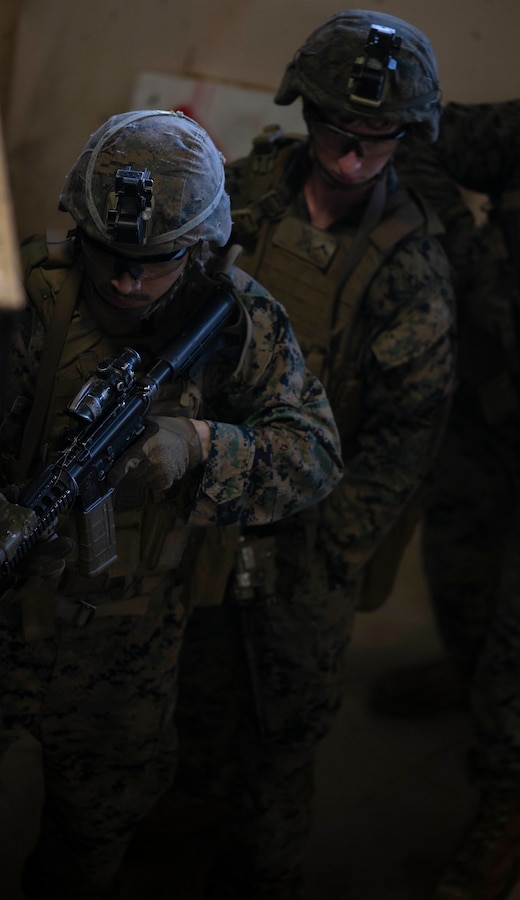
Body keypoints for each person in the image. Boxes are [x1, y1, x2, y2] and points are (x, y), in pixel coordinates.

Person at [0, 109, 343, 900]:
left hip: (125, 652)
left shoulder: (235, 319)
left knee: (89, 847)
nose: (128, 282)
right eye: (112, 257)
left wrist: (201, 445)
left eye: (156, 263)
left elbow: (317, 456)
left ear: (198, 245)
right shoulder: (25, 293)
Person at [143, 10, 456, 900]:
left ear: (408, 135)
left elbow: (407, 436)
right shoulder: (244, 199)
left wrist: (335, 547)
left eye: (377, 139)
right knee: (186, 688)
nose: (352, 159)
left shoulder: (410, 269)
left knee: (282, 732)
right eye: (338, 131)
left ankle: (258, 870)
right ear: (306, 110)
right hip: (205, 492)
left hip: (308, 527)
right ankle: (182, 822)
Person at [370, 99, 520, 900]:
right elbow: (414, 132)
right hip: (494, 404)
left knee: (515, 648)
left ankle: (507, 803)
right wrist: (467, 254)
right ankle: (465, 674)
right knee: (458, 568)